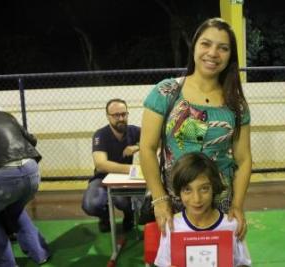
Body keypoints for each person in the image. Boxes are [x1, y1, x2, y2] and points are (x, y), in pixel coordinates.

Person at [140, 17, 252, 240]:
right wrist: (160, 200)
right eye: (206, 44)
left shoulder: (236, 103)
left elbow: (244, 159)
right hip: (174, 202)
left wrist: (237, 206)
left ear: (231, 55)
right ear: (194, 47)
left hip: (220, 204)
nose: (213, 53)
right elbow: (147, 148)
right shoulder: (167, 91)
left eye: (223, 48)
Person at [0, 89, 50, 266]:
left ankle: (4, 264)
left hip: (5, 176)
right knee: (14, 209)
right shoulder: (3, 115)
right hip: (32, 171)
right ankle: (40, 253)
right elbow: (31, 140)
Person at [154, 152, 251, 267]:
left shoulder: (232, 226)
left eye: (204, 189)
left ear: (214, 187)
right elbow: (163, 263)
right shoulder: (171, 226)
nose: (196, 199)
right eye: (187, 190)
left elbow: (244, 264)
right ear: (178, 192)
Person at [82, 98, 140, 232]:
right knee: (91, 205)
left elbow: (156, 141)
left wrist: (137, 146)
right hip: (102, 178)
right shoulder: (100, 135)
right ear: (108, 117)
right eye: (116, 115)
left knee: (122, 202)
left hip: (124, 180)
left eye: (124, 114)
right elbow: (101, 164)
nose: (121, 118)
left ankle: (128, 215)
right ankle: (105, 215)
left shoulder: (134, 131)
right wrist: (132, 169)